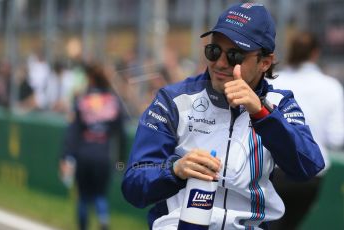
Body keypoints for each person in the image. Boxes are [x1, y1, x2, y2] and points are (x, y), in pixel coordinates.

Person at [121, 3, 325, 230]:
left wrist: (262, 114)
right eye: (214, 51)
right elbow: (133, 185)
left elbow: (308, 167)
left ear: (265, 62)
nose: (219, 63)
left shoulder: (279, 104)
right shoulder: (173, 100)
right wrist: (174, 170)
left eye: (235, 55)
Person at [269, 31, 344, 230]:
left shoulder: (275, 82)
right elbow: (336, 137)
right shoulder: (331, 86)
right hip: (312, 174)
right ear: (315, 53)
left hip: (276, 170)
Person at [60, 62, 124, 230]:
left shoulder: (83, 100)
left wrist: (66, 156)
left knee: (83, 197)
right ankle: (103, 220)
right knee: (100, 195)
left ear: (90, 79)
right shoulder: (113, 101)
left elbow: (72, 132)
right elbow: (121, 134)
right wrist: (121, 161)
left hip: (83, 155)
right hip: (103, 156)